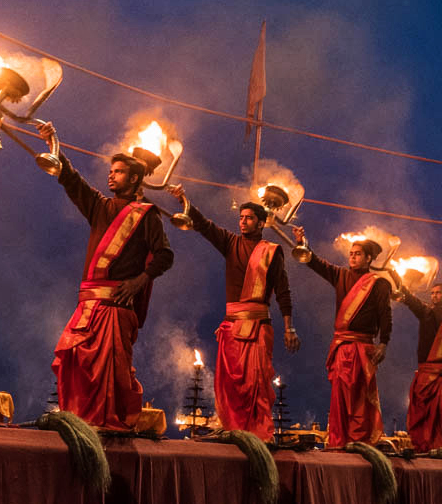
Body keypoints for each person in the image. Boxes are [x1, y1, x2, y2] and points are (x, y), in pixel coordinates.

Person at [36, 121, 173, 430]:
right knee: (75, 363)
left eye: (119, 171)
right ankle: (79, 425)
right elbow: (72, 181)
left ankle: (105, 434)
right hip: (88, 307)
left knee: (109, 377)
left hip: (115, 309)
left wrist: (138, 282)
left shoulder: (147, 215)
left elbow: (165, 255)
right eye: (112, 170)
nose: (111, 174)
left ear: (135, 178)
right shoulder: (99, 206)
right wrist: (53, 143)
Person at [168, 187, 300, 440]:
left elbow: (283, 292)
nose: (243, 222)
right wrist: (185, 200)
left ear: (261, 223)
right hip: (231, 327)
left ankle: (258, 435)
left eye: (249, 218)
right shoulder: (230, 242)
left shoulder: (272, 251)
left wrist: (289, 328)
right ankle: (233, 430)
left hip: (259, 327)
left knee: (256, 385)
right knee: (228, 384)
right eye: (241, 217)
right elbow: (205, 226)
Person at [292, 227, 392, 447]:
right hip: (341, 348)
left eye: (358, 254)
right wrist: (303, 243)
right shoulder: (340, 275)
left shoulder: (378, 284)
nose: (353, 257)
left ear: (368, 258)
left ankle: (359, 443)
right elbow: (316, 263)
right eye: (351, 253)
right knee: (339, 398)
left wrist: (383, 343)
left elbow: (385, 315)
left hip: (363, 349)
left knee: (358, 398)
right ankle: (339, 442)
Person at [396, 283, 442, 452]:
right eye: (432, 293)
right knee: (421, 413)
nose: (434, 296)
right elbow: (411, 299)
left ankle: (441, 449)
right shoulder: (425, 312)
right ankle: (422, 448)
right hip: (425, 373)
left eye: (438, 293)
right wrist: (396, 275)